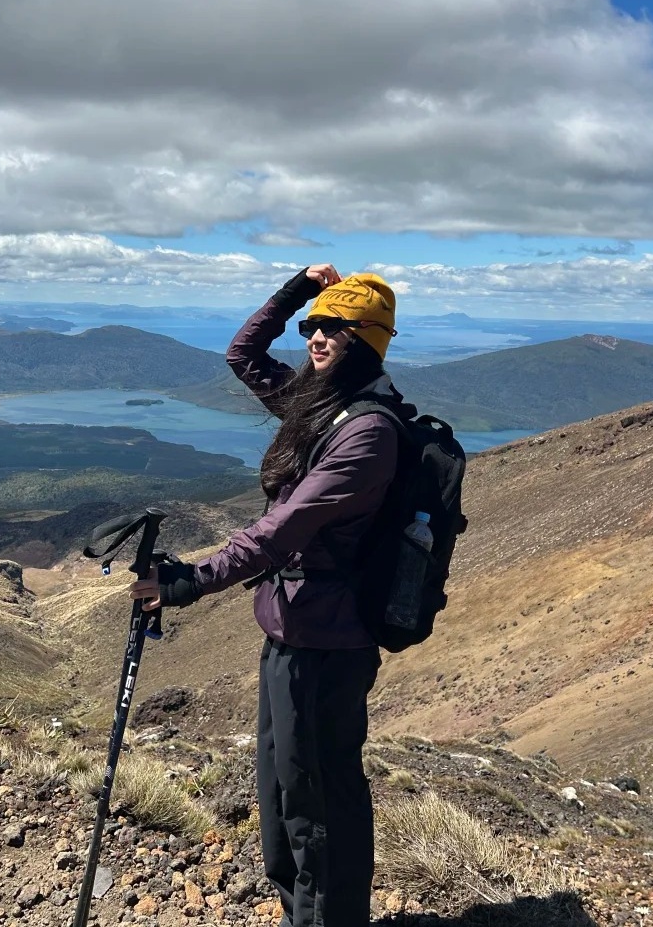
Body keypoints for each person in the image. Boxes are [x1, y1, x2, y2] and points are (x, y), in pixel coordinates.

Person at [130, 263, 401, 927]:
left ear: (365, 338)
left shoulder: (366, 432)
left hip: (328, 644)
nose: (316, 335)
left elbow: (281, 532)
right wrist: (296, 291)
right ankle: (298, 914)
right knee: (283, 792)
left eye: (334, 327)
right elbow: (242, 354)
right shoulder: (316, 406)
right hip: (292, 633)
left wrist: (191, 580)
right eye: (314, 326)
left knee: (318, 802)